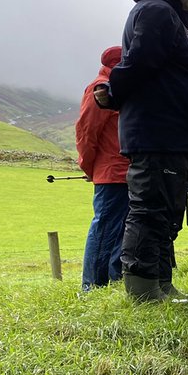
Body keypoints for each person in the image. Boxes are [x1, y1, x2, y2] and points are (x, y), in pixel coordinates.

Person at [95, 0, 188, 302]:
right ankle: (143, 290)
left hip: (170, 133)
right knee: (150, 209)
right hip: (157, 131)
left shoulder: (166, 14)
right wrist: (114, 90)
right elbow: (138, 62)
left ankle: (161, 284)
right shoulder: (155, 10)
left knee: (165, 212)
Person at [77, 46, 127, 291]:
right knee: (106, 228)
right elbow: (86, 132)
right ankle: (92, 287)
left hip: (122, 171)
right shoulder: (101, 88)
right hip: (112, 172)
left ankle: (112, 283)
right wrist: (90, 168)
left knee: (119, 230)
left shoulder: (117, 87)